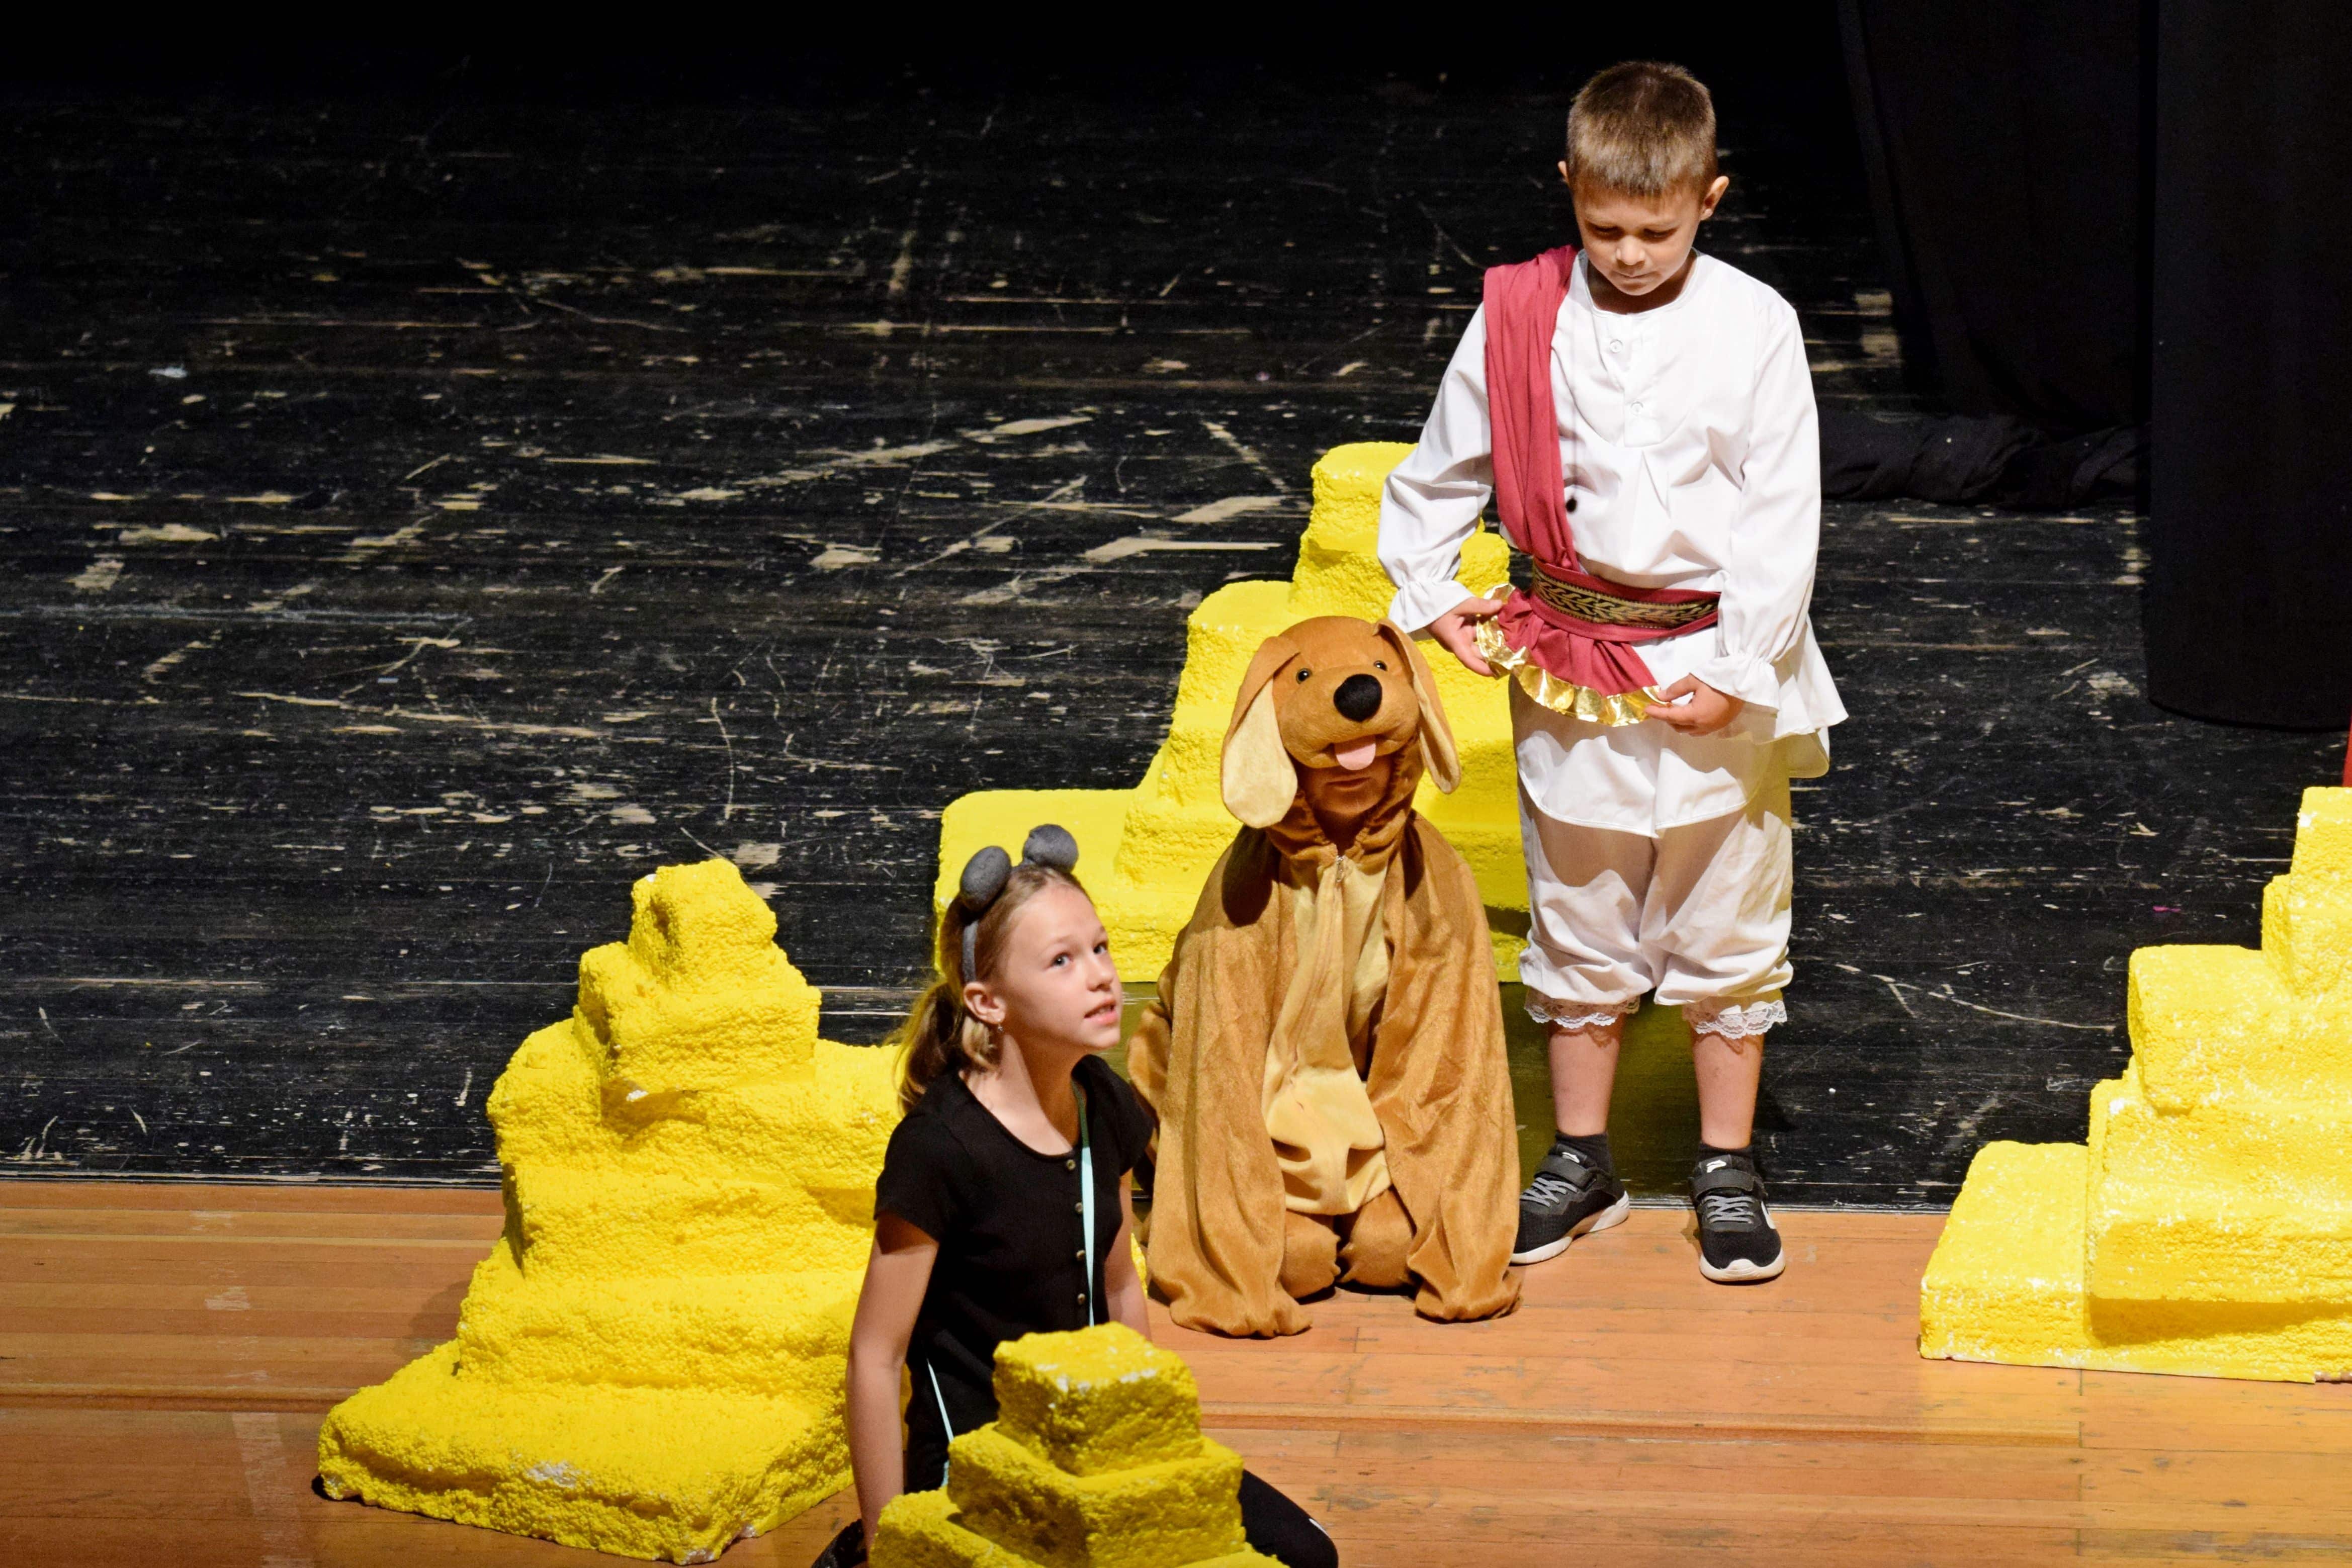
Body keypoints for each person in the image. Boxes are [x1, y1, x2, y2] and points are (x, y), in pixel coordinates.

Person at [1377, 61, 1846, 1285]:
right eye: (1603, 228)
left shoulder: (1753, 324)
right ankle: (1579, 1156)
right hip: (1568, 653)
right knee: (1577, 896)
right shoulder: (1519, 314)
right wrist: (1434, 600)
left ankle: (1726, 1166)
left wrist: (1743, 668)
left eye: (1656, 228)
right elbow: (1434, 473)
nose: (1629, 252)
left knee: (1723, 903)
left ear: (1709, 198)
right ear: (1568, 193)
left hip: (1708, 656)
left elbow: (1777, 513)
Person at [813, 827, 1338, 1567]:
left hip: (1088, 1446)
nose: (1099, 976)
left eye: (1099, 948)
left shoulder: (1106, 1103)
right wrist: (886, 1539)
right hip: (977, 1464)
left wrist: (1153, 1447)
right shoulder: (940, 1149)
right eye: (1061, 960)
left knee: (1306, 1557)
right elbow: (875, 1355)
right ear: (986, 1001)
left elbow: (1121, 1285)